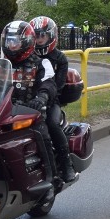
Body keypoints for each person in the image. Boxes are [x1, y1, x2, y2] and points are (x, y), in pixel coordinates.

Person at [1, 21, 60, 191]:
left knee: (43, 135)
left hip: (31, 111)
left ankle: (52, 178)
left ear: (26, 41)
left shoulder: (41, 63)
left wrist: (41, 97)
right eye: (9, 40)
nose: (11, 45)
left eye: (16, 41)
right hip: (5, 111)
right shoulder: (1, 64)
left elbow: (49, 83)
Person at [29, 16, 77, 183]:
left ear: (51, 36)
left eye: (42, 36)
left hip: (50, 101)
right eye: (36, 36)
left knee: (52, 124)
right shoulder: (28, 54)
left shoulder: (59, 58)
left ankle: (66, 164)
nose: (39, 40)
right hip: (28, 101)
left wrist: (44, 98)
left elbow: (58, 85)